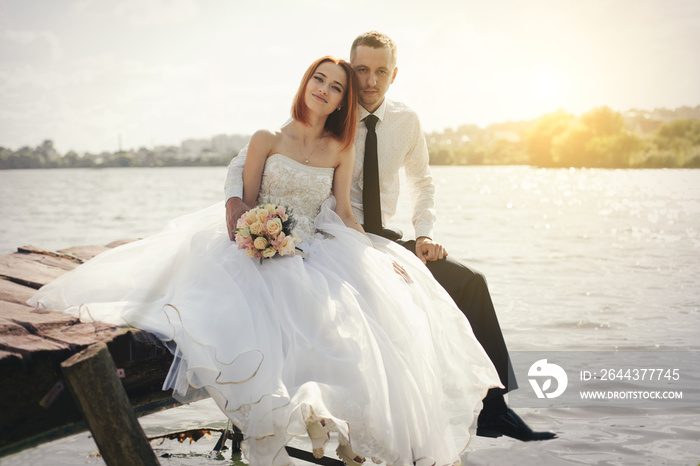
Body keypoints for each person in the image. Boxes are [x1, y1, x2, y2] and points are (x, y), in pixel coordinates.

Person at [30, 56, 501, 466]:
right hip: (256, 243)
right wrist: (258, 235)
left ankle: (331, 418)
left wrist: (387, 254)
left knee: (356, 318)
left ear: (342, 102)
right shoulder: (266, 137)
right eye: (319, 79)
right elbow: (245, 202)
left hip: (314, 244)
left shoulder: (341, 147)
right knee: (257, 315)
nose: (325, 89)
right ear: (305, 84)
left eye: (336, 87)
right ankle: (299, 419)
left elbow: (344, 212)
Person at [225, 32, 556, 443]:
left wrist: (425, 234)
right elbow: (250, 159)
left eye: (380, 71)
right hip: (340, 237)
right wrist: (233, 204)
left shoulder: (406, 121)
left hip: (390, 238)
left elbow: (423, 182)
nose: (370, 81)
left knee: (470, 283)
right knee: (385, 302)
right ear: (350, 70)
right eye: (361, 70)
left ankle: (493, 409)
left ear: (393, 74)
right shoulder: (330, 112)